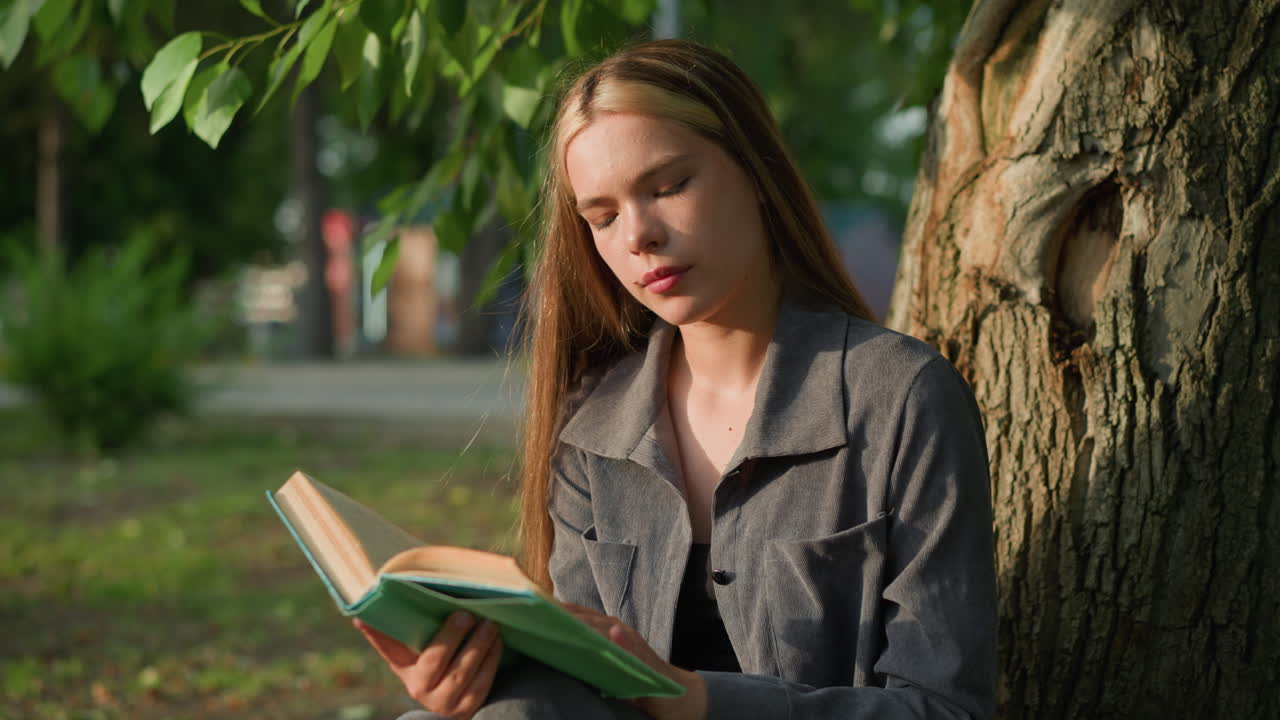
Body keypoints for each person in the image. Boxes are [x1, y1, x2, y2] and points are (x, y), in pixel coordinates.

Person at [357, 38, 997, 720]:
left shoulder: (900, 397)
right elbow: (577, 686)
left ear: (755, 171)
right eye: (602, 216)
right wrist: (466, 685)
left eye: (667, 186)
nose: (638, 235)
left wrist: (693, 700)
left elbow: (943, 708)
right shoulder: (594, 421)